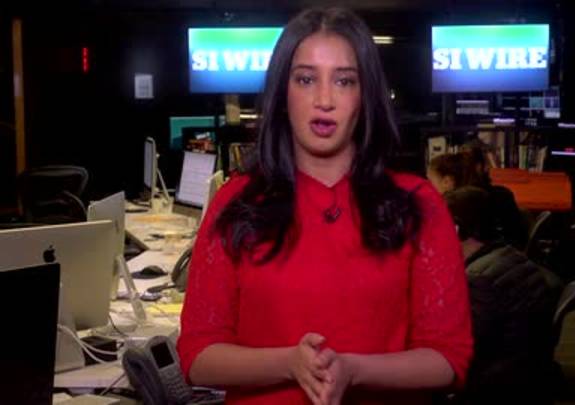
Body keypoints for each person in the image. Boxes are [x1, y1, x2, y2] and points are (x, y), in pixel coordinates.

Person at [177, 7, 473, 405]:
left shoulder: (417, 204)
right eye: (305, 79)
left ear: (365, 96)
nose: (324, 100)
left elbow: (449, 359)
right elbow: (197, 356)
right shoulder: (237, 201)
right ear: (283, 94)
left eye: (344, 81)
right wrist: (289, 363)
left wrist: (352, 370)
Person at [443, 186, 563, 405]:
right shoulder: (510, 256)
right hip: (524, 378)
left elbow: (460, 351)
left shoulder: (478, 279)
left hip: (492, 388)